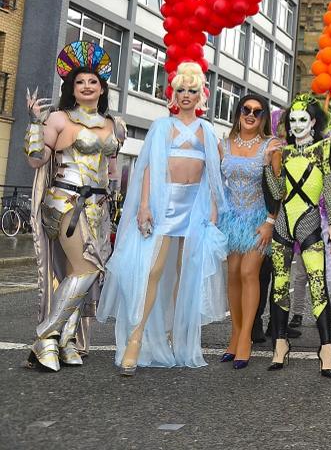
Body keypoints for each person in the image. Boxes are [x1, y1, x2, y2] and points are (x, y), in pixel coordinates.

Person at [98, 62, 228, 375]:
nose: (186, 95)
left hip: (194, 209)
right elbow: (148, 170)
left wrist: (211, 213)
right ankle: (136, 337)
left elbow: (213, 176)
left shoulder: (207, 131)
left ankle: (174, 335)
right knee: (154, 270)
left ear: (200, 95)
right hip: (164, 204)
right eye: (181, 90)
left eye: (192, 91)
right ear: (173, 93)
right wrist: (144, 206)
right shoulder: (161, 126)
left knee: (186, 276)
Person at [23, 42, 124, 372]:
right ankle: (45, 336)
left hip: (99, 207)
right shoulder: (59, 119)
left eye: (92, 81)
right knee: (87, 269)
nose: (87, 86)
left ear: (102, 87)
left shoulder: (113, 124)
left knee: (76, 274)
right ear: (71, 87)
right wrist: (35, 125)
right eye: (80, 81)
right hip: (65, 203)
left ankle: (65, 341)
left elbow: (111, 170)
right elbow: (36, 161)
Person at [263, 95, 331, 378]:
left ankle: (326, 348)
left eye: (302, 120)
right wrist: (266, 163)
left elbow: (329, 188)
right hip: (284, 220)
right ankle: (280, 345)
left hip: (309, 220)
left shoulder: (323, 148)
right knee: (280, 285)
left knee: (317, 284)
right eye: (292, 120)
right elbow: (275, 192)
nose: (296, 125)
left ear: (314, 122)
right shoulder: (282, 153)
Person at [218, 93, 278, 369]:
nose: (251, 115)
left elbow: (277, 190)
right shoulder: (223, 145)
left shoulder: (271, 146)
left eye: (258, 112)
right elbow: (217, 186)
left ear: (264, 117)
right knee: (232, 274)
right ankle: (234, 334)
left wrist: (269, 222)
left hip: (258, 218)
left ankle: (246, 338)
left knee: (248, 272)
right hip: (231, 219)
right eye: (246, 110)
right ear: (238, 112)